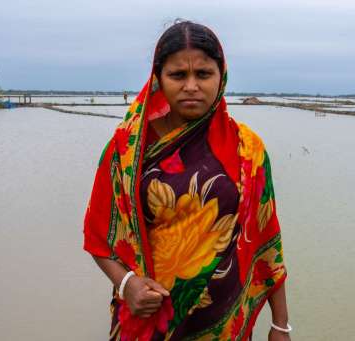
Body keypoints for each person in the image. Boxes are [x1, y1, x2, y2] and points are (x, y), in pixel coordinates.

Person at [83, 20, 290, 341]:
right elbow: (98, 236)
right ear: (158, 79)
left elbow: (266, 238)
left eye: (203, 74)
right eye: (178, 75)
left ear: (221, 76)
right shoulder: (127, 150)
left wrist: (280, 324)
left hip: (225, 323)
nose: (191, 85)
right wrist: (127, 285)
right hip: (149, 319)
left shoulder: (248, 149)